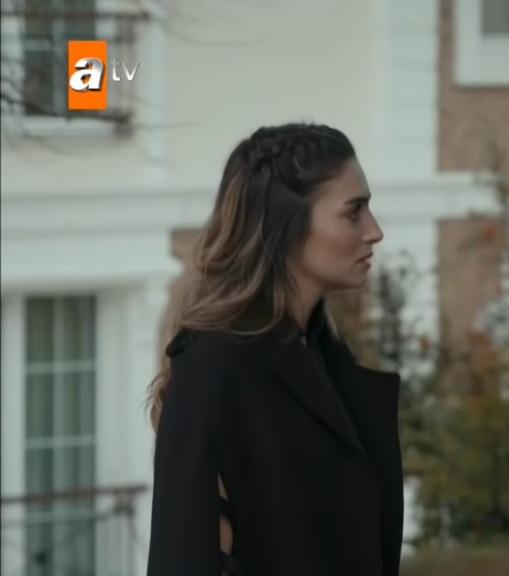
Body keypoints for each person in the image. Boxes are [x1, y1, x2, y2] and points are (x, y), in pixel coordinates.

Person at [146, 123, 402, 575]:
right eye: (353, 212)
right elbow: (186, 556)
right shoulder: (215, 367)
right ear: (288, 224)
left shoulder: (325, 359)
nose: (374, 231)